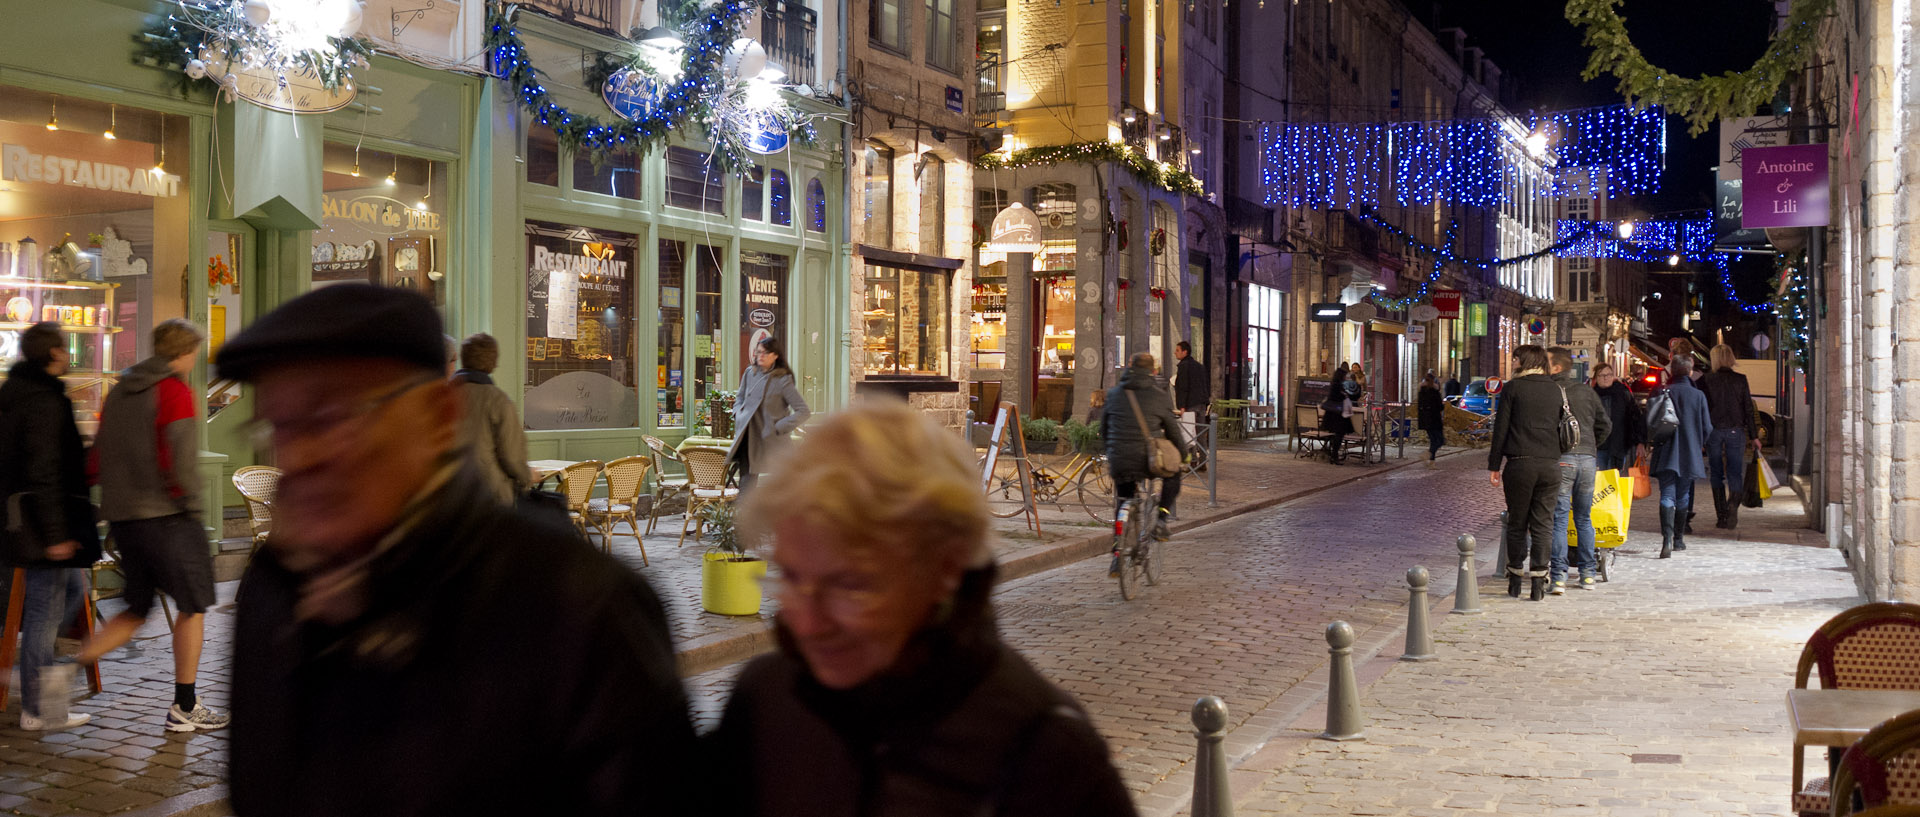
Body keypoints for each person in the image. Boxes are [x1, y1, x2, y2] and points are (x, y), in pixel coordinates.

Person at [214, 285, 696, 816]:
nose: (299, 456)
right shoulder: (275, 589)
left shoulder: (577, 608)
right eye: (281, 426)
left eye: (333, 418)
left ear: (438, 418)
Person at [714, 401, 1138, 817]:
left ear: (945, 569)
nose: (807, 623)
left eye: (850, 584)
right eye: (789, 576)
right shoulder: (766, 699)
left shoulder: (1045, 755)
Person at [79, 319, 227, 731]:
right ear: (184, 353)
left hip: (125, 519)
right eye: (195, 351)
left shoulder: (118, 393)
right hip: (169, 518)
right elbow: (179, 462)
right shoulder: (175, 392)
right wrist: (193, 507)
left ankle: (66, 668)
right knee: (193, 607)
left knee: (135, 607)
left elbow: (97, 459)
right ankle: (185, 705)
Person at [0, 323, 100, 730]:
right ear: (55, 353)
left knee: (70, 594)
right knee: (45, 611)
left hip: (20, 519)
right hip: (41, 523)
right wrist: (57, 535)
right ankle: (39, 708)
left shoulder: (14, 394)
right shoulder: (43, 400)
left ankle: (37, 692)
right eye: (63, 348)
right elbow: (44, 471)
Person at [1486, 345, 1561, 601]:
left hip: (1519, 464)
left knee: (1518, 522)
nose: (1513, 361)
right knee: (1543, 524)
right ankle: (1539, 580)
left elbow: (1501, 429)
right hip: (1550, 465)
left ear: (1525, 360)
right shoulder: (1556, 389)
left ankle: (1515, 579)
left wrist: (1494, 465)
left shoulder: (1513, 388)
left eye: (1516, 357)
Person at [1546, 348, 1611, 593]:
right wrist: (1592, 446)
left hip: (1562, 458)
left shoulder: (1549, 391)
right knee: (1584, 518)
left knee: (1560, 519)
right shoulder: (1587, 391)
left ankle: (1559, 577)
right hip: (1587, 459)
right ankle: (1587, 575)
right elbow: (1606, 424)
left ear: (1556, 367)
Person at [1104, 353, 1184, 551]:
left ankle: (1117, 550)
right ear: (1153, 371)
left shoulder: (1114, 394)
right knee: (1174, 475)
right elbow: (1173, 432)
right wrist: (1183, 455)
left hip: (1119, 459)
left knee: (1123, 499)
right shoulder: (1159, 395)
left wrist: (1111, 449)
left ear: (1128, 367)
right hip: (1148, 460)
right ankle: (1161, 519)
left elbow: (1104, 428)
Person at [451, 333, 531, 505]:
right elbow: (511, 456)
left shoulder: (443, 397)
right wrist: (526, 477)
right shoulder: (497, 400)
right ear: (493, 362)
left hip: (449, 495)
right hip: (489, 495)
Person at [729, 336, 810, 491]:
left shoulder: (782, 380)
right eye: (758, 352)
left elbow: (803, 411)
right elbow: (739, 397)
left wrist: (779, 426)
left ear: (775, 355)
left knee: (781, 486)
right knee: (746, 485)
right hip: (749, 437)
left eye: (765, 353)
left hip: (771, 440)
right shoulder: (749, 373)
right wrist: (738, 415)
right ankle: (744, 514)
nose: (761, 356)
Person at [1649, 355, 1711, 559]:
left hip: (1666, 450)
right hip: (1689, 451)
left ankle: (1666, 540)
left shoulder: (1661, 391)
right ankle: (1678, 539)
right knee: (1683, 495)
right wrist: (1698, 442)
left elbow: (1649, 421)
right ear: (1690, 371)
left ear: (1672, 371)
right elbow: (1707, 427)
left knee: (1667, 494)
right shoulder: (1698, 395)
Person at [1699, 344, 1760, 529]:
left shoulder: (1705, 380)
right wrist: (1754, 435)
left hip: (1713, 431)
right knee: (1735, 472)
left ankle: (1721, 516)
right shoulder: (1740, 380)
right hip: (1736, 430)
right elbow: (1748, 409)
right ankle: (1732, 505)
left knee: (1716, 473)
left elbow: (1701, 410)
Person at [1590, 363, 1646, 475]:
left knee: (1614, 477)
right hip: (1598, 445)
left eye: (1609, 375)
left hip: (1618, 444)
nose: (1606, 378)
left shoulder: (1622, 392)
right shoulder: (1591, 395)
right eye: (1602, 375)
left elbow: (1635, 417)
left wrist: (1640, 442)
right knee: (1601, 477)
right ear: (1596, 378)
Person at [1320, 367, 1357, 464]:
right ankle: (1334, 455)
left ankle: (1332, 454)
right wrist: (1345, 395)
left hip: (1333, 414)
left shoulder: (1335, 384)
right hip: (1337, 415)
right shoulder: (1337, 386)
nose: (1346, 377)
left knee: (1336, 435)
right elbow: (1338, 397)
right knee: (1339, 434)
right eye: (1345, 375)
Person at [1172, 340, 1208, 420]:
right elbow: (1205, 384)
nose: (1175, 352)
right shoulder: (1199, 366)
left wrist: (1182, 406)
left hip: (1190, 404)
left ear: (1185, 352)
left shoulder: (1184, 366)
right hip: (1201, 404)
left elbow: (1183, 387)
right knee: (1200, 430)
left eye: (1177, 350)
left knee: (1189, 430)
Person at [1417, 371, 1445, 467]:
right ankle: (1427, 454)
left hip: (1425, 421)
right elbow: (1440, 407)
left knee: (1433, 440)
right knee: (1440, 440)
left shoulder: (1421, 391)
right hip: (1435, 420)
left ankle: (1431, 462)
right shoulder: (1434, 391)